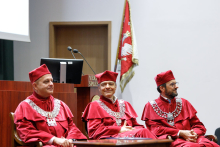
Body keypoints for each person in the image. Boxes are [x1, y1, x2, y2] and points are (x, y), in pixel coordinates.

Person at [14, 64, 87, 147]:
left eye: (52, 81)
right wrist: (54, 139)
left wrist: (70, 139)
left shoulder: (61, 104)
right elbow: (27, 132)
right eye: (46, 81)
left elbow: (72, 127)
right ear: (35, 86)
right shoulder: (25, 106)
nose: (51, 84)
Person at [141, 70, 219, 147]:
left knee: (212, 145)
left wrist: (194, 133)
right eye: (172, 84)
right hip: (173, 140)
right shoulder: (150, 106)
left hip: (194, 138)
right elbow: (155, 130)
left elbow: (198, 125)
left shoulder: (184, 102)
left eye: (176, 83)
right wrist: (180, 133)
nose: (176, 86)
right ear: (162, 88)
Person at [82, 70, 157, 140]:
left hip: (129, 138)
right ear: (99, 88)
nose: (107, 87)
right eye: (103, 84)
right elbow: (93, 132)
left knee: (144, 131)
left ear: (115, 87)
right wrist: (119, 130)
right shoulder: (94, 105)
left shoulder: (125, 104)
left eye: (111, 84)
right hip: (108, 140)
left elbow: (135, 125)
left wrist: (135, 129)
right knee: (143, 132)